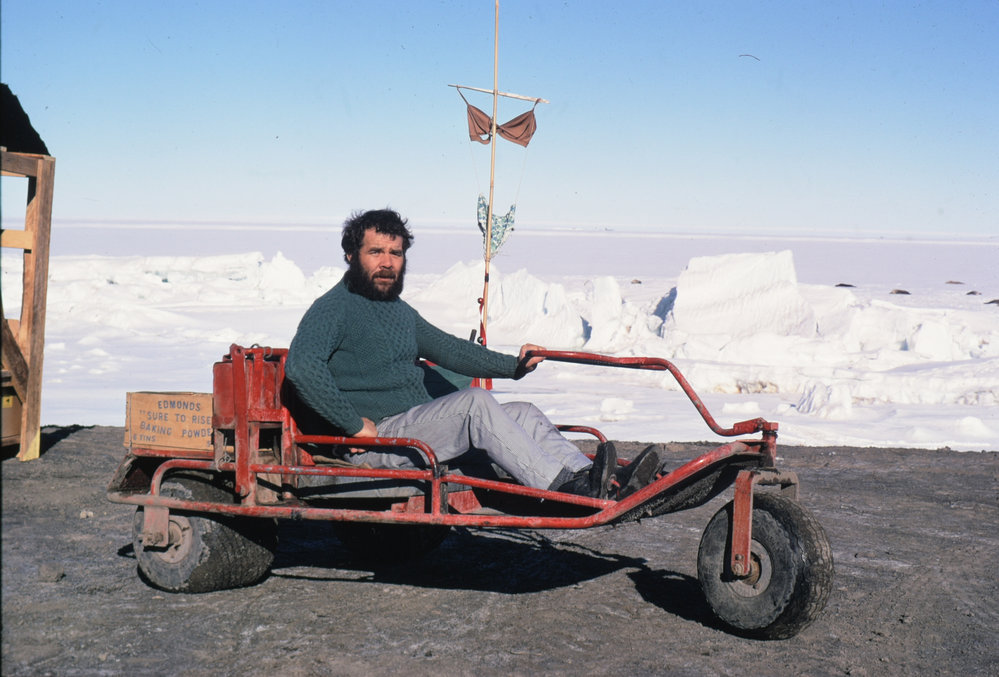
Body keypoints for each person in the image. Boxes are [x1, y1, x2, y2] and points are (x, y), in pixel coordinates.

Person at [284, 208, 661, 499]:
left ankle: (598, 481)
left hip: (414, 427)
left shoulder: (397, 311)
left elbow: (450, 349)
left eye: (395, 253)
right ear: (351, 255)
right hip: (375, 440)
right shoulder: (333, 308)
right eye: (376, 252)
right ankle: (562, 490)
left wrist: (514, 366)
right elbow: (302, 367)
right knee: (475, 404)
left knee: (524, 413)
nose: (387, 262)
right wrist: (353, 424)